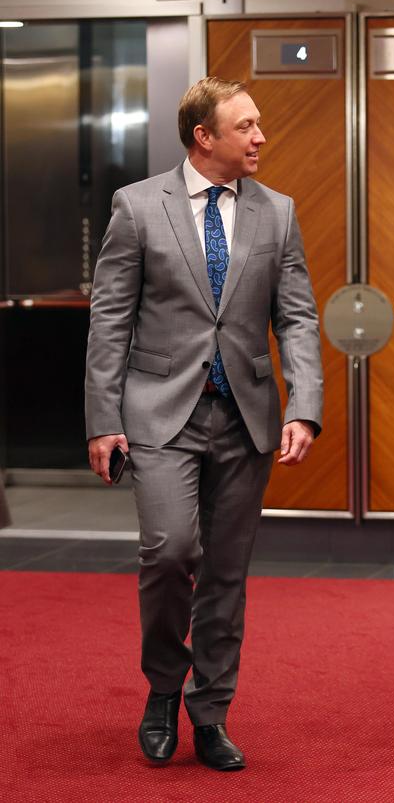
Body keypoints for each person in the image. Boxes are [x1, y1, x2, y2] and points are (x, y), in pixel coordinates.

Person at [85, 77, 323, 771]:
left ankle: (211, 710)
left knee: (225, 571)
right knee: (168, 551)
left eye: (260, 125)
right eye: (246, 126)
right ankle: (163, 687)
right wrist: (104, 419)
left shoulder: (276, 212)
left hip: (244, 417)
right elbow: (110, 321)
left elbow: (298, 315)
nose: (261, 137)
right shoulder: (137, 208)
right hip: (159, 414)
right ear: (205, 137)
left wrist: (304, 403)